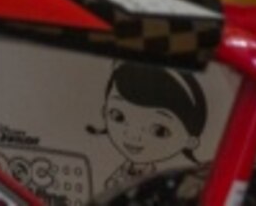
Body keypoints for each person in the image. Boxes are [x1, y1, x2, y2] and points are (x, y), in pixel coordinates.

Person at [87, 61, 207, 191]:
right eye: (117, 116)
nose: (133, 135)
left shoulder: (162, 178)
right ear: (104, 112)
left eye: (159, 131)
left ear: (190, 141)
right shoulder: (124, 168)